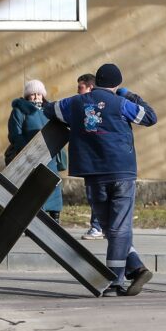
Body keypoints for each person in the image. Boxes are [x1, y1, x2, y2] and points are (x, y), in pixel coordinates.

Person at [43, 63, 157, 296]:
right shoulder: (121, 103)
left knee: (106, 225)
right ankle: (115, 280)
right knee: (119, 226)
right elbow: (149, 117)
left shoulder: (75, 103)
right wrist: (130, 95)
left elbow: (50, 110)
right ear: (116, 84)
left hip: (93, 172)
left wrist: (75, 121)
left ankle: (135, 268)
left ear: (95, 82)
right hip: (121, 171)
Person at [7, 79, 67, 223]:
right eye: (32, 94)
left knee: (53, 186)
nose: (36, 97)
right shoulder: (20, 111)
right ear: (27, 96)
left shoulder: (49, 110)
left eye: (39, 94)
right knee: (33, 188)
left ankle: (55, 218)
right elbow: (15, 134)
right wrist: (27, 151)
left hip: (50, 154)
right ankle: (34, 220)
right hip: (30, 156)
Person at [75, 73, 104, 240]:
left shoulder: (88, 106)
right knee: (99, 193)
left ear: (90, 87)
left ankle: (97, 226)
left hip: (95, 158)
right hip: (97, 157)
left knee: (96, 193)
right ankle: (103, 226)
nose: (77, 91)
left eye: (80, 87)